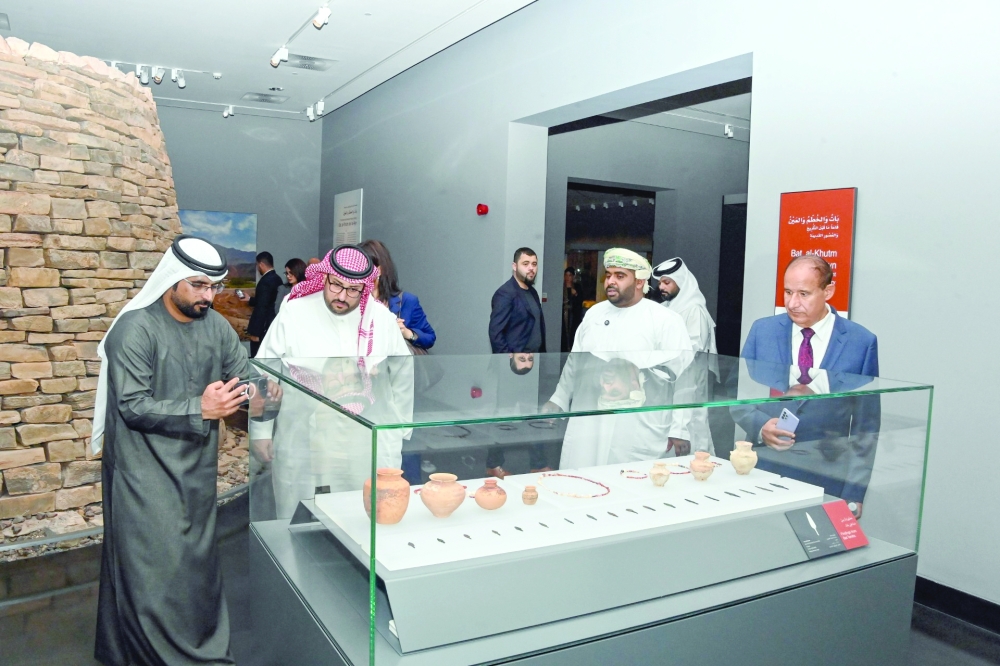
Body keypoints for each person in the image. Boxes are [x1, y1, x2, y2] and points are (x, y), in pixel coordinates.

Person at [93, 235, 252, 666]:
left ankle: (198, 650)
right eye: (199, 286)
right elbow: (131, 405)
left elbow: (243, 374)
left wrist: (261, 390)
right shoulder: (133, 329)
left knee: (194, 571)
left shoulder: (214, 325)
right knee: (151, 572)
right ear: (173, 281)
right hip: (142, 471)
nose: (208, 296)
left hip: (195, 470)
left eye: (214, 286)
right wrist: (202, 407)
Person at [254, 245, 413, 517]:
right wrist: (261, 431)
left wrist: (397, 430)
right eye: (336, 285)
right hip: (304, 433)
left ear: (365, 288)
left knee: (358, 514)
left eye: (353, 290)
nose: (342, 296)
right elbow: (263, 371)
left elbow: (402, 376)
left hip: (361, 438)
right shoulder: (295, 312)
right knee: (298, 513)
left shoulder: (382, 321)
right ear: (324, 277)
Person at [734, 255, 879, 518]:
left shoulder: (860, 342)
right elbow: (739, 398)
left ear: (828, 291)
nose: (792, 303)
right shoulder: (763, 331)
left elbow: (866, 427)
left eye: (803, 293)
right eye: (788, 292)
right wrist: (759, 426)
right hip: (764, 468)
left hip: (826, 472)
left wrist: (854, 492)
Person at [548, 248, 695, 467]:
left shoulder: (665, 320)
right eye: (608, 275)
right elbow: (574, 363)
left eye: (620, 276)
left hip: (637, 423)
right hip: (590, 419)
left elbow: (684, 377)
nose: (610, 282)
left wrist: (680, 428)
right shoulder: (594, 314)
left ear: (639, 282)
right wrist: (558, 400)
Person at [651, 257, 719, 454]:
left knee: (692, 459)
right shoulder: (666, 309)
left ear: (681, 282)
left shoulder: (694, 311)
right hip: (665, 396)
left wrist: (679, 426)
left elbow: (688, 364)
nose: (661, 287)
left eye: (667, 282)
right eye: (660, 282)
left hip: (687, 398)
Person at [361, 239, 436, 350]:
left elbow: (430, 337)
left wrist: (405, 332)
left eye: (364, 267)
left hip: (394, 365)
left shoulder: (407, 301)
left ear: (379, 270)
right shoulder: (352, 298)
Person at [489, 247, 546, 353]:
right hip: (514, 364)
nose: (531, 268)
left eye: (534, 264)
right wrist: (509, 361)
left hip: (534, 360)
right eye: (525, 264)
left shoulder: (533, 292)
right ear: (514, 266)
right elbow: (496, 333)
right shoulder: (505, 293)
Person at [239, 251, 282, 356]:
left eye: (258, 265)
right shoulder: (278, 279)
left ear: (261, 264)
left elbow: (262, 308)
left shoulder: (265, 281)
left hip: (262, 328)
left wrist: (256, 332)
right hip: (272, 324)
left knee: (257, 357)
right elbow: (266, 301)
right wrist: (249, 299)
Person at [561, 267, 584, 352]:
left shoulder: (577, 287)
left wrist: (575, 294)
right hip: (563, 317)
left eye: (570, 275)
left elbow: (580, 302)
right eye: (566, 275)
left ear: (573, 277)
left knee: (573, 336)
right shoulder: (561, 287)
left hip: (574, 317)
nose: (567, 278)